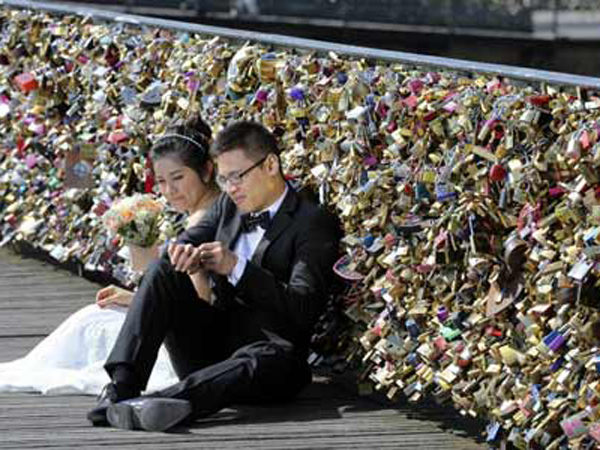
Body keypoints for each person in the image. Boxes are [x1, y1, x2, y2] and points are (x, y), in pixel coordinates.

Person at [87, 120, 341, 432]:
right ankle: (121, 389)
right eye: (224, 179)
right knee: (162, 268)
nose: (231, 188)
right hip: (210, 347)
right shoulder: (227, 205)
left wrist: (237, 267)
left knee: (269, 356)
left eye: (238, 177)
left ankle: (162, 403)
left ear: (271, 164)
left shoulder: (312, 222)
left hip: (270, 361)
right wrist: (183, 252)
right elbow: (190, 238)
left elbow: (303, 310)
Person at [0, 116, 219, 396]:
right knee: (96, 317)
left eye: (178, 178)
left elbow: (202, 299)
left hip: (198, 340)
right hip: (199, 326)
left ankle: (123, 381)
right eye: (162, 181)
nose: (169, 191)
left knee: (93, 320)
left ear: (206, 171)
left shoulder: (201, 222)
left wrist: (139, 300)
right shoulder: (215, 207)